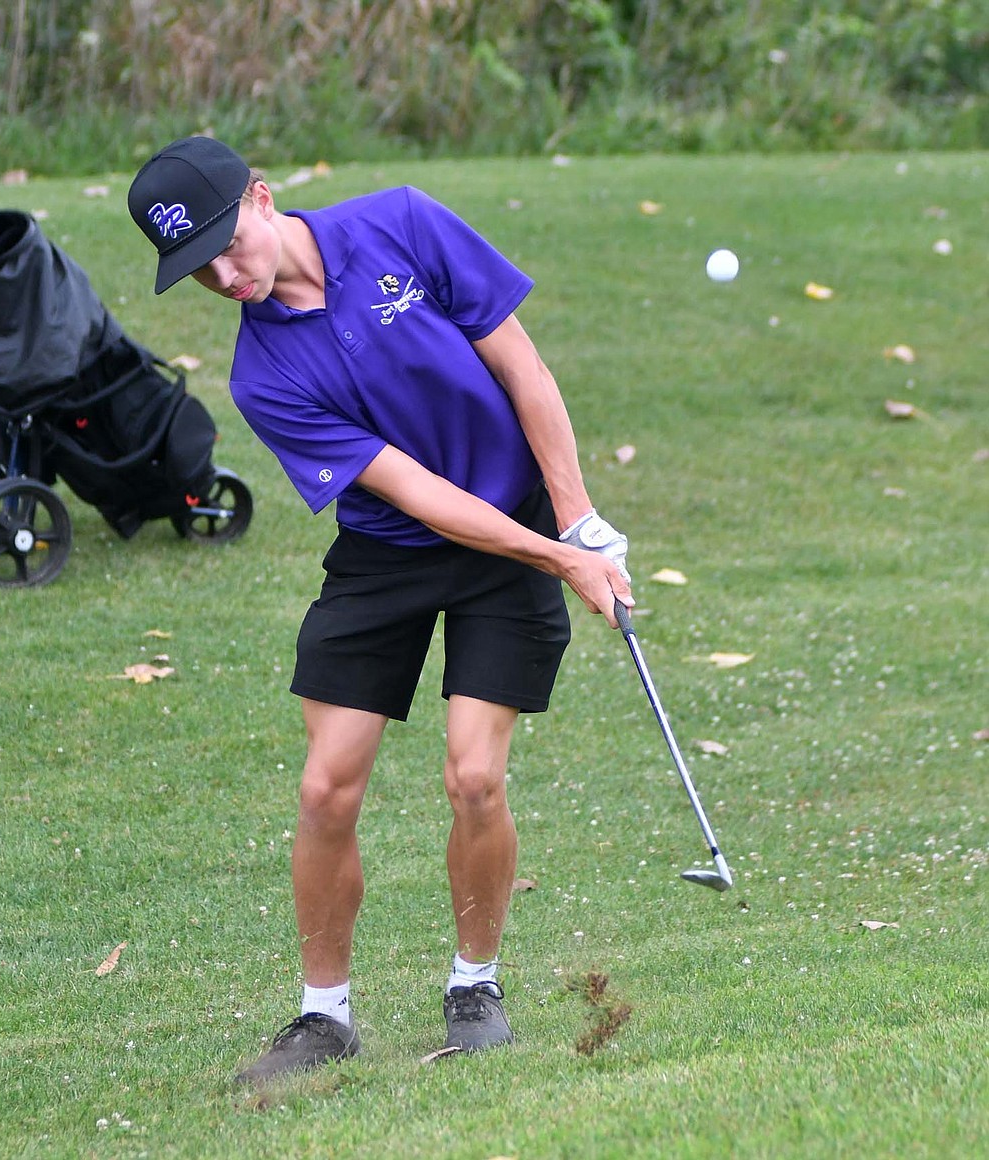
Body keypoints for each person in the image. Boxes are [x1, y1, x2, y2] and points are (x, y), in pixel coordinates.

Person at [128, 135, 633, 1084]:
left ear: (263, 197)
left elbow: (524, 369)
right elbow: (416, 495)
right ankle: (325, 1019)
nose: (226, 276)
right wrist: (560, 559)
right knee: (326, 788)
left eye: (228, 244)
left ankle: (474, 986)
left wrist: (580, 517)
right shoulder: (262, 377)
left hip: (515, 522)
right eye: (198, 270)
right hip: (391, 555)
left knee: (475, 779)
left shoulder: (401, 221)